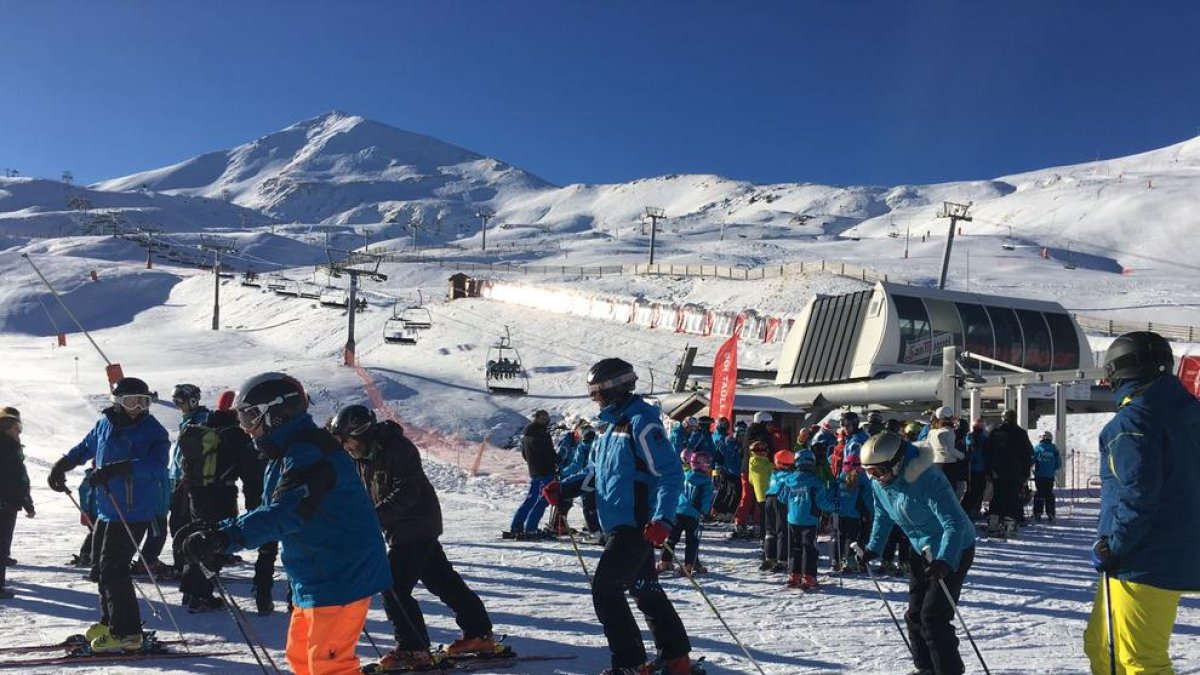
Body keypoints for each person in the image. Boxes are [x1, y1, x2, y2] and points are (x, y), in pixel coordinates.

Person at [180, 372, 391, 675]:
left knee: (327, 667)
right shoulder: (287, 453)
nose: (246, 427)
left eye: (251, 417)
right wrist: (220, 532)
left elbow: (286, 513)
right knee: (301, 659)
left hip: (341, 573)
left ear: (277, 415)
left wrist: (224, 538)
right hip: (315, 574)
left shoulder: (309, 453)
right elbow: (272, 511)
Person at [544, 358, 693, 675]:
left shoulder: (641, 423)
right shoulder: (609, 430)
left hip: (638, 527)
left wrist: (663, 520)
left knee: (606, 589)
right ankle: (676, 658)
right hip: (617, 526)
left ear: (614, 388)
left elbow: (670, 474)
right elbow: (596, 476)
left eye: (597, 392)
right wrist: (565, 489)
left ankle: (631, 663)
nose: (594, 398)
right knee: (645, 591)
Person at [330, 405, 498, 671]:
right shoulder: (360, 458)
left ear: (360, 434)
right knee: (443, 580)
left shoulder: (399, 450)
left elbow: (408, 492)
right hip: (401, 529)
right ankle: (479, 634)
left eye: (346, 441)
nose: (346, 447)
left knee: (393, 585)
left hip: (416, 524)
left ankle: (413, 649)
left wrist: (374, 517)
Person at [1084, 332, 1200, 674]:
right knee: (1101, 645)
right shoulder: (1189, 414)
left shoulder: (1133, 422)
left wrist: (1115, 546)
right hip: (1173, 549)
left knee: (1139, 659)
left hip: (1143, 557)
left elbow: (1137, 492)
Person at [48, 377, 170, 652]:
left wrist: (120, 468)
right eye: (131, 401)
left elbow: (157, 465)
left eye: (143, 401)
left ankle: (128, 633)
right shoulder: (106, 423)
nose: (137, 407)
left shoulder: (153, 430)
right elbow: (86, 446)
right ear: (117, 402)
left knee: (115, 570)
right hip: (107, 509)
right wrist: (62, 464)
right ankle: (110, 620)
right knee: (101, 569)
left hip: (132, 511)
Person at [856, 431, 977, 675]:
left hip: (953, 547)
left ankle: (948, 670)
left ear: (897, 462)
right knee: (914, 615)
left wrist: (945, 559)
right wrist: (874, 548)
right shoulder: (881, 483)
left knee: (933, 617)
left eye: (878, 471)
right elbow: (882, 515)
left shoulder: (928, 480)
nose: (874, 478)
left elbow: (954, 523)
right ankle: (925, 669)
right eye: (869, 471)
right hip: (920, 548)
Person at [173, 385, 253, 613]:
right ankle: (201, 595)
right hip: (221, 494)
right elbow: (247, 470)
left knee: (198, 538)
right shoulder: (235, 434)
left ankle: (190, 592)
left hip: (196, 492)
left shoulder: (204, 426)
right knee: (214, 542)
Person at [778, 449, 832, 590]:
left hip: (793, 518)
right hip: (810, 519)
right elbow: (822, 503)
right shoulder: (816, 482)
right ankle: (809, 577)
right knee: (810, 548)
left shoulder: (789, 479)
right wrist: (835, 506)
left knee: (795, 547)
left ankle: (794, 575)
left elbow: (782, 498)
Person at [659, 451, 714, 576]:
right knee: (692, 541)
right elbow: (705, 498)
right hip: (693, 514)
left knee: (672, 537)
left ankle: (665, 560)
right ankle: (689, 565)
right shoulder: (706, 481)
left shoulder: (685, 475)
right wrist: (705, 511)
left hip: (678, 511)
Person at [504, 409, 556, 540]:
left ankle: (517, 525)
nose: (547, 422)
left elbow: (524, 454)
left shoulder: (527, 434)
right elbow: (549, 454)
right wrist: (560, 458)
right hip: (546, 471)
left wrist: (533, 464)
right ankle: (531, 528)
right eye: (545, 419)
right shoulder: (542, 435)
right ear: (539, 419)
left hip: (534, 471)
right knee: (544, 499)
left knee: (531, 498)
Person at [0, 407, 34, 599]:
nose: (18, 432)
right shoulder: (7, 449)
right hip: (5, 503)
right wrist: (26, 502)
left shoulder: (9, 447)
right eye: (15, 428)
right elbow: (15, 479)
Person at [984, 409, 1033, 538]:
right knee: (1012, 498)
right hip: (1015, 472)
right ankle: (1009, 526)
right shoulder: (1020, 433)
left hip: (998, 472)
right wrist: (1026, 473)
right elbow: (1027, 454)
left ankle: (994, 524)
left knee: (997, 496)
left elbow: (988, 452)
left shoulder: (996, 432)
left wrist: (989, 470)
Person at [927, 407, 966, 499]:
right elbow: (951, 450)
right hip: (949, 464)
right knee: (950, 490)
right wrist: (963, 456)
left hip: (935, 463)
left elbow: (927, 445)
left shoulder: (932, 431)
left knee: (937, 489)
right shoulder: (949, 431)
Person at [1030, 431, 1061, 523]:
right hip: (1050, 476)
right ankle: (1050, 513)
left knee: (1039, 493)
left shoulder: (1037, 448)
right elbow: (1058, 464)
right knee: (1048, 493)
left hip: (1039, 476)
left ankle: (1037, 513)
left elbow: (1032, 460)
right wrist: (1052, 469)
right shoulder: (1054, 448)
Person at [961, 418, 989, 521]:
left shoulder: (969, 437)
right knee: (977, 491)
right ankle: (972, 510)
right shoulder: (983, 438)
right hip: (978, 468)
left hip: (972, 468)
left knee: (972, 490)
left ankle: (970, 510)